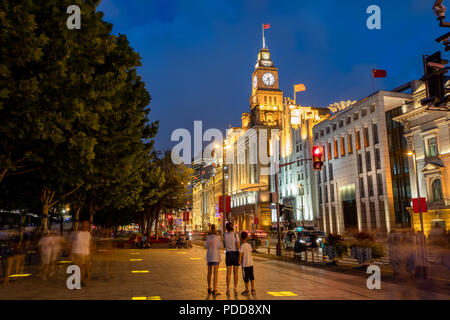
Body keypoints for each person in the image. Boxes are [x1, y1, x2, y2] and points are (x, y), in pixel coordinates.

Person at [70, 221, 93, 285]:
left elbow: (89, 243)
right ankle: (77, 280)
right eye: (84, 224)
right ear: (82, 225)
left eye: (87, 224)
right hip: (78, 252)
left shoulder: (88, 234)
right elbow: (73, 243)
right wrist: (71, 252)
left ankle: (80, 280)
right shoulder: (78, 233)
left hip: (85, 253)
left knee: (82, 268)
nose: (85, 225)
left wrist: (90, 252)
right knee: (78, 267)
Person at [204, 224, 222, 296]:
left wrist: (210, 245)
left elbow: (205, 246)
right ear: (215, 229)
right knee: (215, 273)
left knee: (209, 272)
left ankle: (209, 288)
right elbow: (221, 246)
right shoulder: (218, 237)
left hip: (209, 256)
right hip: (216, 257)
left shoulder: (208, 237)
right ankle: (215, 290)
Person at [223, 222, 240, 295]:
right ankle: (235, 289)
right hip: (235, 254)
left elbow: (224, 244)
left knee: (228, 273)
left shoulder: (224, 235)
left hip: (228, 254)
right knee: (235, 273)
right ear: (232, 227)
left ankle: (228, 289)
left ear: (226, 228)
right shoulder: (236, 235)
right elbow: (238, 245)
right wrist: (240, 256)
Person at [239, 231, 255, 296]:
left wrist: (239, 261)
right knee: (251, 277)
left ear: (241, 238)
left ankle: (247, 290)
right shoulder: (249, 245)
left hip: (245, 264)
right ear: (247, 237)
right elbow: (251, 251)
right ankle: (253, 289)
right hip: (251, 263)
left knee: (246, 277)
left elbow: (240, 254)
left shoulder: (242, 246)